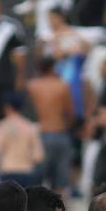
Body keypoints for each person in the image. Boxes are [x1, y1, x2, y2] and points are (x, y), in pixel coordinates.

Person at [27, 56, 75, 193]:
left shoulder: (32, 86)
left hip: (40, 134)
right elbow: (70, 113)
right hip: (60, 132)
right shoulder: (62, 85)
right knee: (60, 182)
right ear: (52, 67)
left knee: (37, 180)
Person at [0, 93, 44, 187]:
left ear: (7, 108)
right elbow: (39, 156)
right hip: (27, 173)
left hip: (7, 172)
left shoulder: (1, 127)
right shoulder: (31, 127)